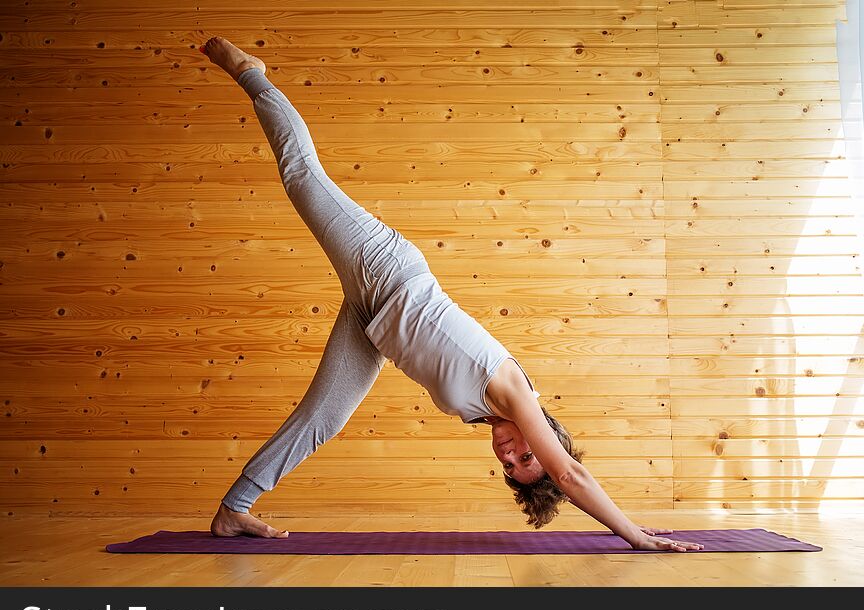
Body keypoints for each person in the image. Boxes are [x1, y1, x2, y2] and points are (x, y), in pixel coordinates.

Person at [199, 37, 703, 552]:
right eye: (528, 458)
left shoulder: (489, 411)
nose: (510, 456)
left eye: (508, 466)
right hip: (389, 271)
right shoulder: (517, 394)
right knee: (302, 176)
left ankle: (232, 510)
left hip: (372, 320)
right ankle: (251, 73)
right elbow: (571, 477)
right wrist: (634, 535)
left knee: (322, 418)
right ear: (547, 438)